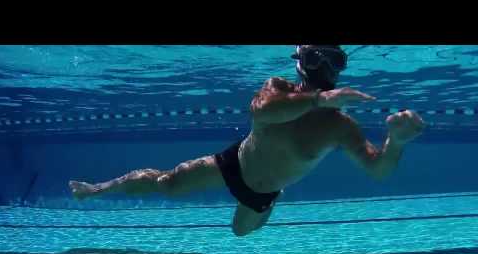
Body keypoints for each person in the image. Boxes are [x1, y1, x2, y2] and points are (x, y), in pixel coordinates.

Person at [69, 45, 425, 237]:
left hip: (263, 192)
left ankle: (270, 204)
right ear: (299, 61)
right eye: (314, 56)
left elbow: (378, 169)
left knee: (240, 233)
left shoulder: (340, 126)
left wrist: (396, 141)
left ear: (340, 66)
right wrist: (317, 100)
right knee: (167, 182)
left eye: (334, 58)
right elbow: (262, 112)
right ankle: (96, 190)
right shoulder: (277, 88)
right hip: (233, 163)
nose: (323, 67)